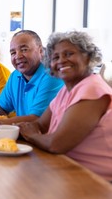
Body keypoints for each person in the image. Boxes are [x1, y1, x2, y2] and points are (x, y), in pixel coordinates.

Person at [18, 31, 112, 181]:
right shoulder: (66, 90)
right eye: (55, 57)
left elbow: (56, 144)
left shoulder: (92, 88)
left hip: (98, 182)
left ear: (87, 57)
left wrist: (32, 135)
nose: (61, 60)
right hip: (67, 170)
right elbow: (40, 124)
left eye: (69, 54)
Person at [0, 30, 64, 130]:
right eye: (13, 53)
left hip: (46, 140)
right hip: (26, 137)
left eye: (24, 49)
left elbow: (36, 120)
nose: (18, 56)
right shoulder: (15, 76)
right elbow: (1, 107)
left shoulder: (51, 75)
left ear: (41, 51)